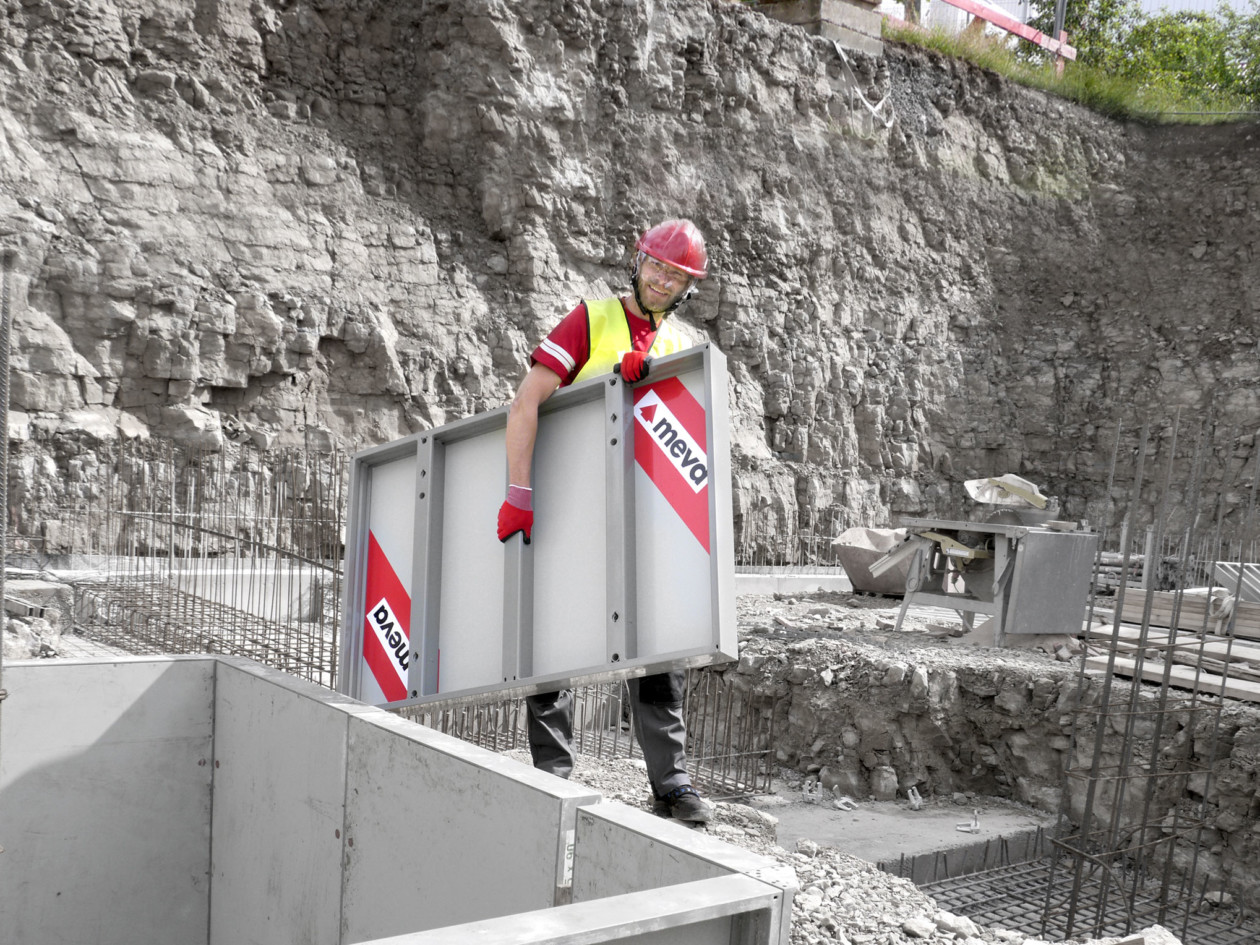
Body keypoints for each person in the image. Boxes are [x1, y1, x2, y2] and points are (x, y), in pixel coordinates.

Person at [496, 218, 713, 824]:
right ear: (637, 261)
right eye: (656, 265)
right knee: (555, 640)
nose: (662, 279)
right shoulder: (590, 320)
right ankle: (555, 775)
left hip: (645, 525)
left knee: (659, 648)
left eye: (676, 275)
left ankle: (670, 784)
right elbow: (526, 402)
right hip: (574, 509)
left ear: (687, 287)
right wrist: (519, 489)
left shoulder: (681, 348)